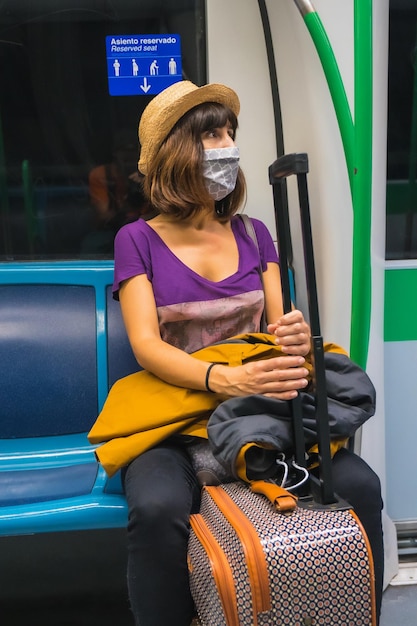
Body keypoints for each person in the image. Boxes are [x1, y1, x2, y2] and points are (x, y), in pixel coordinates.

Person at [112, 80, 384, 625]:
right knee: (157, 507)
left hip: (258, 413)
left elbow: (276, 323)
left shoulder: (255, 234)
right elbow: (146, 347)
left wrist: (290, 334)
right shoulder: (136, 240)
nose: (227, 145)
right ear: (177, 151)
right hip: (178, 414)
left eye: (230, 132)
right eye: (212, 133)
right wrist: (225, 380)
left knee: (359, 485)